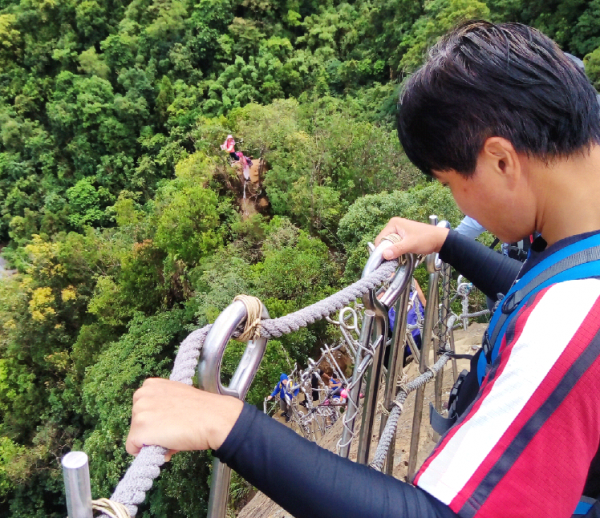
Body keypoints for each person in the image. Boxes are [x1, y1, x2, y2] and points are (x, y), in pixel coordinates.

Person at [126, 22, 600, 518]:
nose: (457, 201)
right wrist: (446, 242)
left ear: (500, 160)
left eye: (449, 181)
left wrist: (227, 425)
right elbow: (535, 288)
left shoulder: (571, 317)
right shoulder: (576, 250)